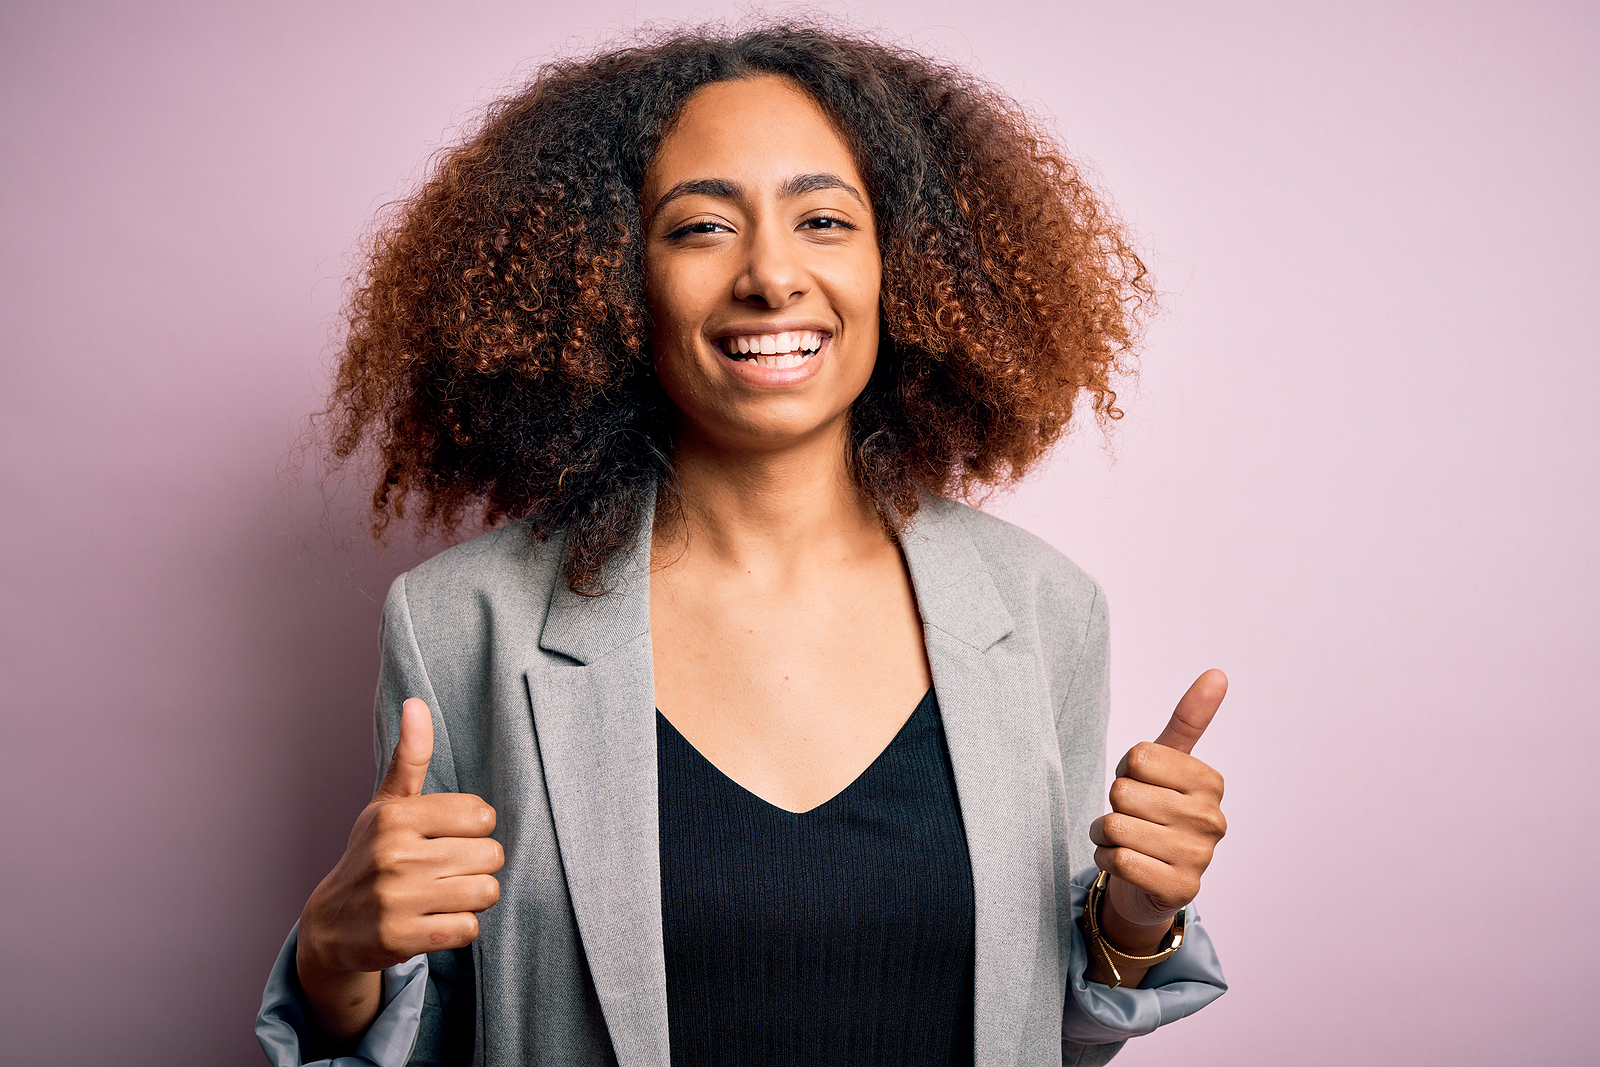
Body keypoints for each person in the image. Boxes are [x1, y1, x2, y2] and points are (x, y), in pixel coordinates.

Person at [257, 22, 1229, 1067]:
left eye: (822, 219)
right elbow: (429, 1030)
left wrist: (1131, 924)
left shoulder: (1042, 609)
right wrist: (336, 956)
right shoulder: (460, 623)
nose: (771, 275)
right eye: (700, 229)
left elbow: (1041, 1035)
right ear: (610, 281)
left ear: (902, 263)